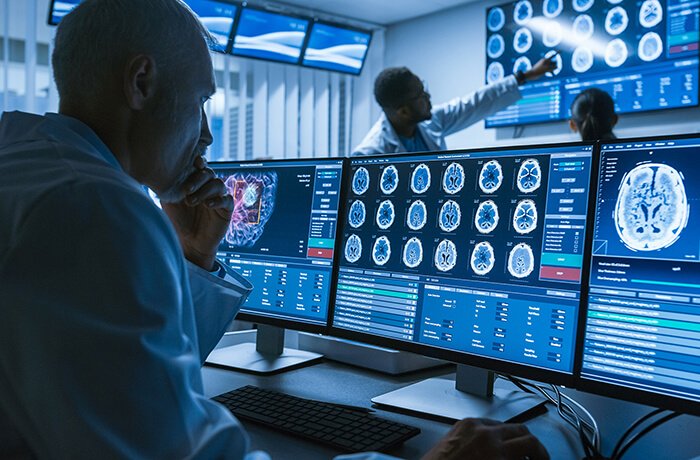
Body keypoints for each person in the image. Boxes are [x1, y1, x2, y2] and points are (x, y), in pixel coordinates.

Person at [0, 1, 549, 458]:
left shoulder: (27, 160)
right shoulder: (93, 208)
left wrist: (191, 257)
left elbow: (130, 376)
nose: (208, 135)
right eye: (201, 103)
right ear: (141, 82)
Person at [352, 57, 558, 156]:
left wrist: (526, 75)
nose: (428, 96)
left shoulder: (431, 121)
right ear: (403, 111)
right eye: (420, 95)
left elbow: (475, 103)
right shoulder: (370, 153)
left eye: (424, 88)